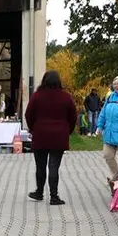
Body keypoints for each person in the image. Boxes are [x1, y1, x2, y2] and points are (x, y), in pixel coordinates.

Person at [24, 70, 78, 206]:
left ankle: (39, 192)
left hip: (40, 134)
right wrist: (67, 130)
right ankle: (54, 196)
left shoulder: (37, 96)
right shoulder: (66, 97)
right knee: (54, 166)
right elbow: (73, 116)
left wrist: (33, 128)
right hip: (59, 136)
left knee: (40, 166)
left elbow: (28, 114)